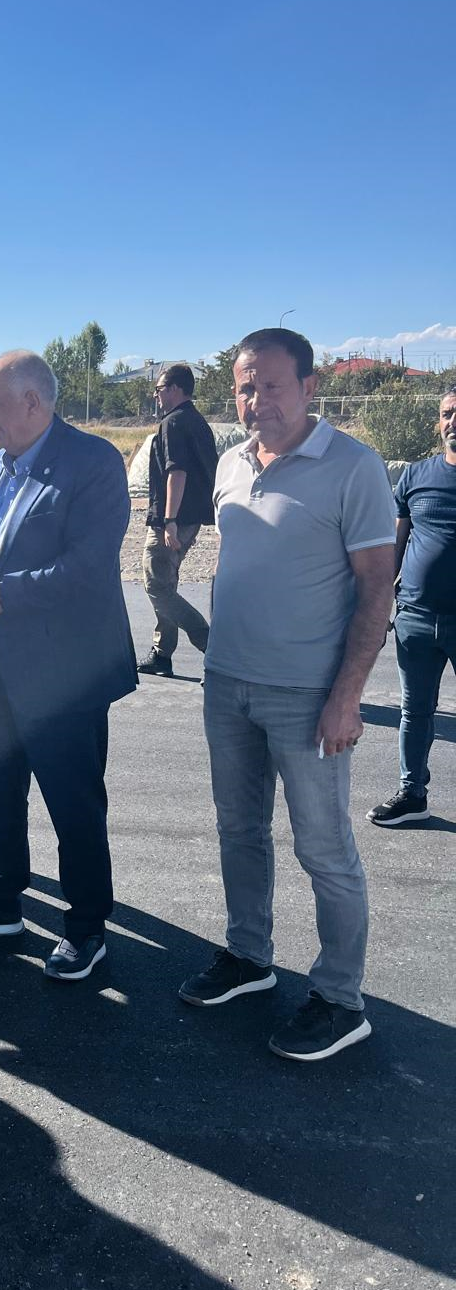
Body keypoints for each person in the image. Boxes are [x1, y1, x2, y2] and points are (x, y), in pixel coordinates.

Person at [179, 328, 396, 1062]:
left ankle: (340, 999)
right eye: (245, 387)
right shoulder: (231, 463)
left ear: (308, 387)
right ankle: (249, 957)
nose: (256, 400)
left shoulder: (353, 466)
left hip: (307, 693)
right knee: (239, 831)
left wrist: (348, 696)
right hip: (227, 682)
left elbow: (376, 588)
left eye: (271, 385)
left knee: (324, 848)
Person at [0, 352, 137, 980]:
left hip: (62, 673)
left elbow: (89, 565)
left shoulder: (92, 462)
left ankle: (86, 927)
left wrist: (3, 597)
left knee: (73, 804)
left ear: (33, 402)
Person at [367, 388, 456, 827]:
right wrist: (380, 603)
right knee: (414, 711)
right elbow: (395, 545)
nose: (453, 420)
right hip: (415, 618)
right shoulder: (417, 476)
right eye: (447, 413)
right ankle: (412, 794)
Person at [137, 363, 219, 677]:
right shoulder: (196, 421)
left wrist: (169, 519)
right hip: (188, 518)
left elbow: (177, 472)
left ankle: (214, 649)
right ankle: (162, 653)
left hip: (173, 520)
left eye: (159, 389)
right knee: (165, 583)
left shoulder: (173, 422)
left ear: (174, 389)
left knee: (157, 586)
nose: (156, 395)